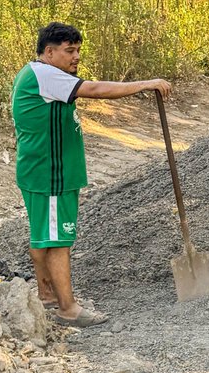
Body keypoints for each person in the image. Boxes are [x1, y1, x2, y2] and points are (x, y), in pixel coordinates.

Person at [12, 22, 172, 327]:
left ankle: (47, 297)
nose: (76, 57)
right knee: (58, 238)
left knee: (43, 234)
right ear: (49, 52)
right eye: (69, 51)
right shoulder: (46, 75)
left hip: (39, 169)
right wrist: (145, 84)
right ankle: (68, 309)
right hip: (51, 174)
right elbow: (96, 89)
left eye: (78, 51)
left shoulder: (36, 73)